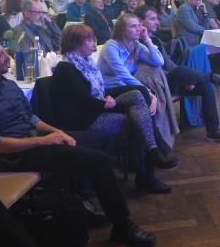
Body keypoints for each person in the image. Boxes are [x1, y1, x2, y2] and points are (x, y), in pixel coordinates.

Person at [0, 37, 157, 247]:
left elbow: (31, 119)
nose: (7, 57)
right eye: (0, 55)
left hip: (34, 140)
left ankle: (83, 200)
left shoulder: (8, 85)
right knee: (98, 160)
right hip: (14, 157)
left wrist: (57, 132)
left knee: (102, 139)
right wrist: (43, 141)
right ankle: (122, 226)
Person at [52, 24, 177, 194]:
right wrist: (106, 102)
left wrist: (106, 98)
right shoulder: (65, 68)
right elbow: (84, 101)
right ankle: (149, 167)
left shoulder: (87, 62)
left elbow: (96, 93)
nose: (94, 43)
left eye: (93, 38)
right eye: (89, 40)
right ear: (75, 44)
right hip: (86, 120)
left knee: (138, 94)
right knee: (138, 121)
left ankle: (153, 151)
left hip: (96, 108)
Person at [135, 6, 220, 144]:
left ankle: (213, 131)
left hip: (169, 81)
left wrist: (185, 79)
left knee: (207, 87)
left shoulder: (155, 40)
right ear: (140, 22)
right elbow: (151, 72)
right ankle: (212, 77)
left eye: (156, 18)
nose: (157, 22)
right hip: (155, 87)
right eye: (152, 19)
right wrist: (181, 77)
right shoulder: (138, 44)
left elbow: (169, 64)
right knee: (181, 71)